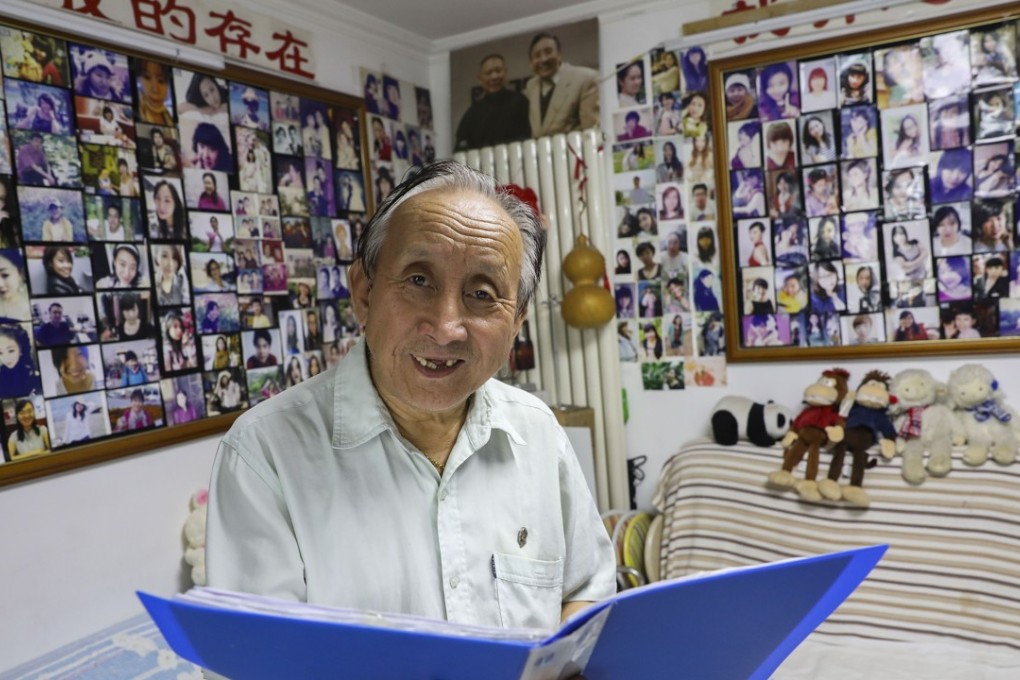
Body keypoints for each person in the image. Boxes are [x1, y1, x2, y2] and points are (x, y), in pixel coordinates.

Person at [206, 161, 614, 631]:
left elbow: (588, 591)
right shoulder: (266, 453)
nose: (445, 327)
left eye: (482, 294)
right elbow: (252, 661)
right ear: (364, 292)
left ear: (517, 321)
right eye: (419, 280)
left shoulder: (537, 432)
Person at [524, 33, 600, 138]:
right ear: (531, 62)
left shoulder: (586, 78)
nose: (543, 59)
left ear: (559, 54)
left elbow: (590, 131)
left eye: (548, 52)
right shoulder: (531, 86)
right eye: (537, 55)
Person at [0, 323, 41, 398]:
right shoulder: (1, 373)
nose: (6, 357)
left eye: (11, 351)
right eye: (0, 353)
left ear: (20, 349)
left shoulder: (32, 375)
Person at [136, 59, 174, 126]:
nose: (155, 89)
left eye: (161, 80)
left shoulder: (168, 117)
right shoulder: (136, 112)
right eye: (147, 77)